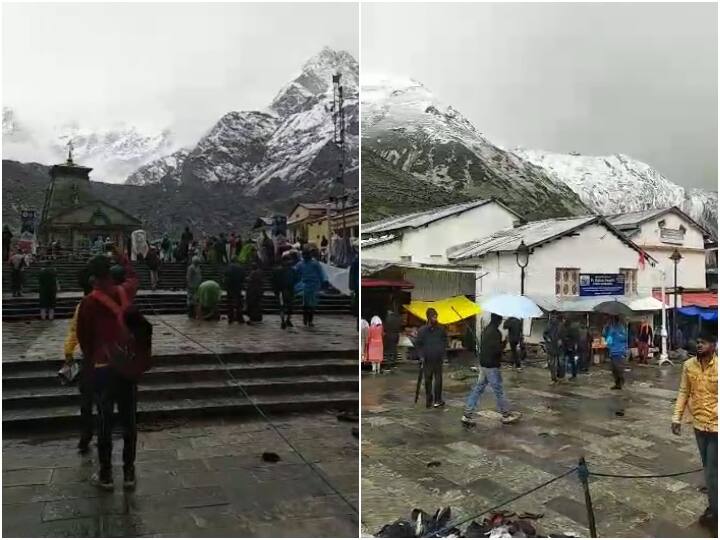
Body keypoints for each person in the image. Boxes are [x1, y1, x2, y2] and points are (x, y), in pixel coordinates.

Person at [76, 248, 140, 490]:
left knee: (104, 421)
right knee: (129, 420)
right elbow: (134, 275)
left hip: (103, 368)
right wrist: (122, 256)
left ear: (93, 277)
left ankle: (106, 474)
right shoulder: (125, 292)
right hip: (127, 366)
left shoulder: (88, 302)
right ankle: (129, 472)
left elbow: (84, 340)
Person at [671, 330, 717, 534]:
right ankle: (714, 504)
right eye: (698, 341)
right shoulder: (688, 366)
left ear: (713, 345)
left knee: (712, 472)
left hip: (717, 427)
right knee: (708, 467)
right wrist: (676, 417)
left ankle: (715, 511)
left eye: (704, 342)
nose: (699, 345)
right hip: (699, 425)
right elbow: (683, 391)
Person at [462, 313, 521, 426]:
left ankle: (467, 414)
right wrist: (504, 343)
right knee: (498, 390)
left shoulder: (486, 330)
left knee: (478, 389)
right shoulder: (496, 333)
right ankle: (506, 414)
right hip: (492, 366)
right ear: (498, 321)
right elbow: (497, 351)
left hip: (483, 364)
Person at [64, 275, 94, 453]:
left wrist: (68, 353)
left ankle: (86, 436)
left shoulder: (82, 306)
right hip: (108, 360)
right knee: (105, 402)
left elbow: (74, 332)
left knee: (87, 401)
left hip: (89, 359)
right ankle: (103, 435)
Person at [415, 308, 447, 408]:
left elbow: (445, 341)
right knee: (428, 380)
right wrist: (421, 356)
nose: (435, 318)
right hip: (427, 359)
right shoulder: (422, 330)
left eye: (436, 316)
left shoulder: (441, 329)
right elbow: (418, 344)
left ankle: (438, 399)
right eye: (433, 317)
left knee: (438, 380)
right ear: (428, 317)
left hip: (437, 358)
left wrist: (442, 352)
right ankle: (429, 398)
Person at [295, 246, 327, 327]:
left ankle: (310, 320)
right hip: (304, 285)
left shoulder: (315, 263)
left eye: (307, 254)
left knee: (312, 304)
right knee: (305, 304)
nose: (306, 256)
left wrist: (324, 281)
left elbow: (321, 273)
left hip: (314, 285)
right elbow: (296, 273)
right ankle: (305, 318)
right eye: (304, 254)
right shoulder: (300, 264)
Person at [272, 255, 298, 329]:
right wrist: (276, 290)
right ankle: (283, 321)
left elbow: (296, 279)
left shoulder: (292, 270)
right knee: (282, 306)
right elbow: (274, 281)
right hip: (282, 290)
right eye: (287, 260)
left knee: (290, 307)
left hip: (290, 290)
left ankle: (287, 320)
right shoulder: (278, 271)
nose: (289, 262)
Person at [603, 316, 628, 390]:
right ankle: (617, 383)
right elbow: (605, 336)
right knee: (613, 369)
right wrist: (606, 328)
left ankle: (621, 381)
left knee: (618, 368)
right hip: (612, 351)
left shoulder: (621, 328)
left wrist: (617, 335)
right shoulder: (610, 328)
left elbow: (624, 338)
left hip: (619, 351)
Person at [543, 312, 563, 382]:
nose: (554, 318)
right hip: (552, 346)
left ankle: (556, 376)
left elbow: (563, 334)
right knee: (554, 363)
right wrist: (547, 338)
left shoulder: (558, 325)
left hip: (555, 346)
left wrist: (561, 340)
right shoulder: (550, 325)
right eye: (553, 317)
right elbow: (545, 334)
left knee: (556, 363)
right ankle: (554, 377)